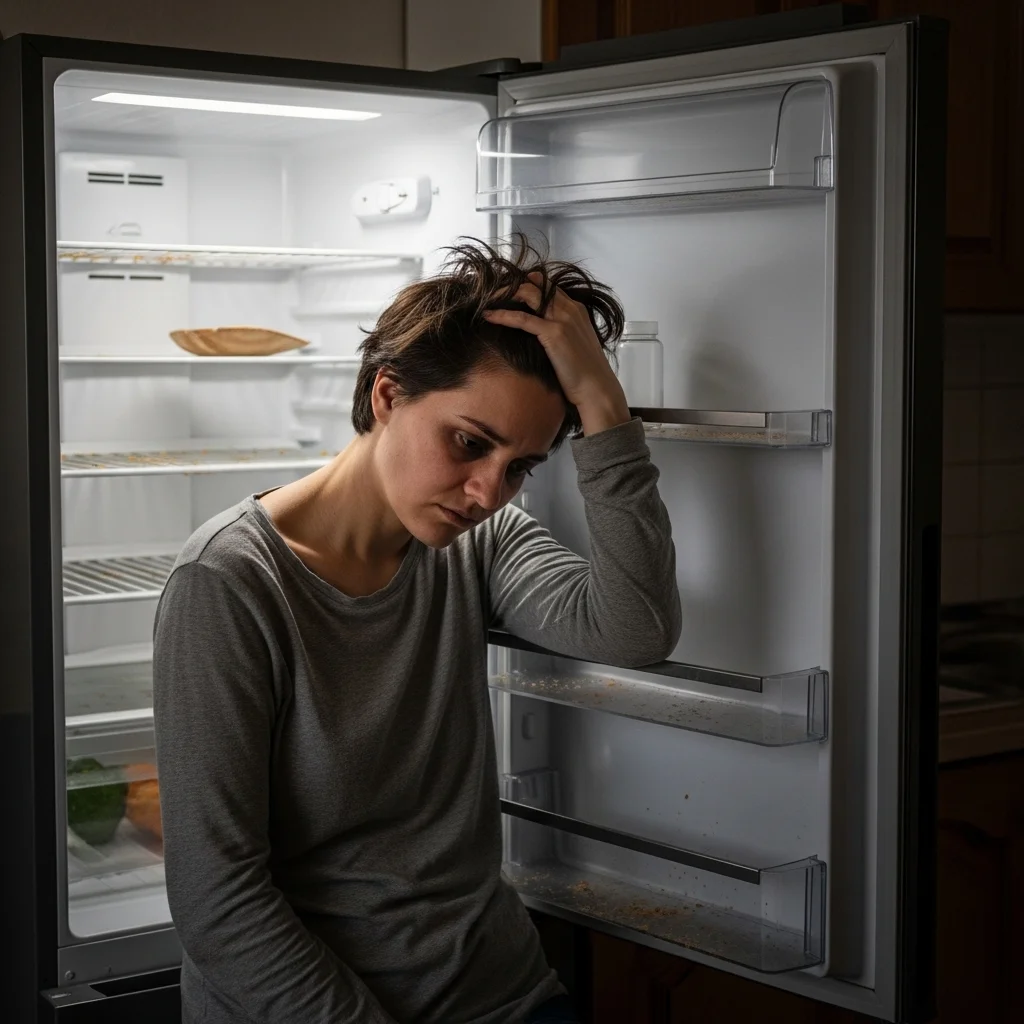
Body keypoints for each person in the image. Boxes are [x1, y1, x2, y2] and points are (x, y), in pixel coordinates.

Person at [153, 236, 681, 1024]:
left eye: (520, 466)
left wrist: (604, 405)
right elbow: (217, 903)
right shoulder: (230, 583)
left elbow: (633, 629)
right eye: (470, 442)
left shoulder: (480, 543)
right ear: (388, 395)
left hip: (501, 996)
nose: (488, 492)